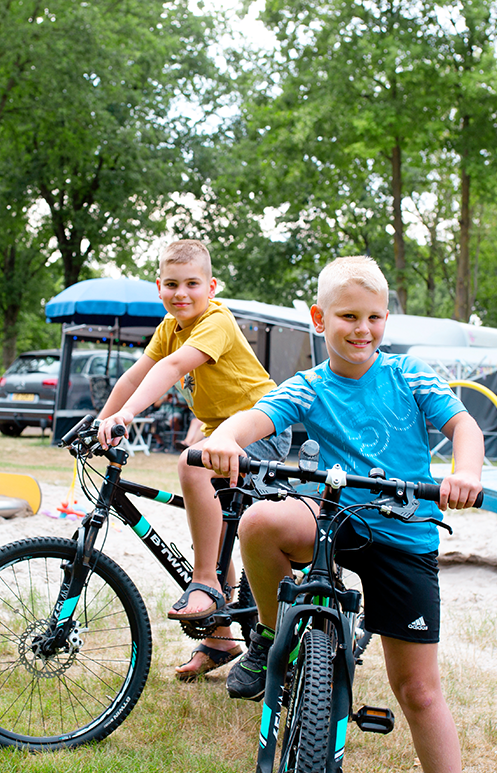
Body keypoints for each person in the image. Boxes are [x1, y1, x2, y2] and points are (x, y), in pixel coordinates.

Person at [201, 256, 483, 773]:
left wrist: (465, 472)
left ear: (386, 320)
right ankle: (273, 638)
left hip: (405, 532)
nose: (362, 329)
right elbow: (255, 418)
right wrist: (224, 438)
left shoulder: (409, 375)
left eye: (373, 317)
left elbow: (464, 427)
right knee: (259, 521)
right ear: (319, 319)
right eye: (348, 316)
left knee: (418, 690)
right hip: (335, 521)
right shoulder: (309, 386)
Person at [96, 239, 291, 681]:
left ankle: (204, 580)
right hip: (219, 431)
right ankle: (220, 637)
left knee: (191, 463)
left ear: (211, 286)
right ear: (159, 287)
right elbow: (136, 374)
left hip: (261, 426)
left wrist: (127, 415)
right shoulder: (170, 326)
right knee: (212, 527)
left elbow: (170, 369)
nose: (181, 293)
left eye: (191, 284)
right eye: (171, 284)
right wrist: (101, 420)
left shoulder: (215, 321)